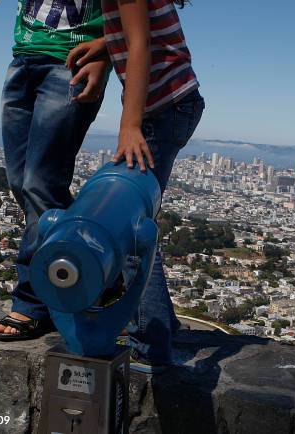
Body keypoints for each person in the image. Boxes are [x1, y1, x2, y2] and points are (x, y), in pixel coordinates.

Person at [0, 0, 109, 339]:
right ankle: (92, 271)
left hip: (73, 63)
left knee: (40, 184)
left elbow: (141, 14)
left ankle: (32, 303)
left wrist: (106, 51)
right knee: (23, 183)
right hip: (23, 59)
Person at [70, 0, 204, 372]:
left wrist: (129, 126)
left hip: (161, 110)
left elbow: (141, 44)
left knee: (131, 228)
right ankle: (161, 325)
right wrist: (104, 45)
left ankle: (151, 346)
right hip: (175, 104)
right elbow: (138, 33)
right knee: (138, 220)